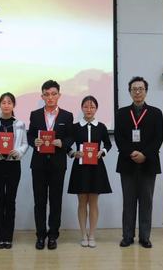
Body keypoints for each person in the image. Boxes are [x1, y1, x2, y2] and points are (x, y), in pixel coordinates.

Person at [115, 76, 163, 249]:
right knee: (128, 202)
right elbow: (119, 138)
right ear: (130, 92)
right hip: (127, 163)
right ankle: (127, 236)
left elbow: (158, 138)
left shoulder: (156, 113)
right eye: (134, 89)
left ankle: (145, 237)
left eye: (140, 89)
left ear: (146, 91)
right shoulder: (121, 113)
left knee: (146, 202)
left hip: (148, 164)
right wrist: (131, 153)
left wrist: (144, 154)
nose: (137, 92)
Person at [27, 80, 74, 250]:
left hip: (57, 164)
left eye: (53, 94)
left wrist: (63, 143)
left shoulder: (67, 116)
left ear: (59, 95)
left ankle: (53, 235)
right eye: (46, 94)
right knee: (39, 201)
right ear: (42, 96)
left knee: (55, 201)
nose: (50, 97)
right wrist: (34, 141)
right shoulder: (35, 115)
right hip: (38, 164)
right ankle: (40, 235)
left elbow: (71, 137)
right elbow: (30, 135)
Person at [66, 95, 112, 248]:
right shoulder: (75, 127)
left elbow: (108, 144)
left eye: (92, 107)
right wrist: (73, 153)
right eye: (86, 106)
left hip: (96, 168)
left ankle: (92, 234)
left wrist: (102, 152)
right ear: (82, 108)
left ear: (96, 109)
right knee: (81, 202)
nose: (89, 109)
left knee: (93, 202)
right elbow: (67, 144)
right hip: (80, 168)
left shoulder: (101, 126)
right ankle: (83, 234)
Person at [0, 92, 28, 249]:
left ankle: (8, 237)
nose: (6, 105)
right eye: (3, 102)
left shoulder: (20, 124)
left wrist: (18, 151)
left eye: (9, 102)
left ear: (13, 105)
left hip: (13, 165)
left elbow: (25, 143)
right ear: (0, 105)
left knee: (10, 200)